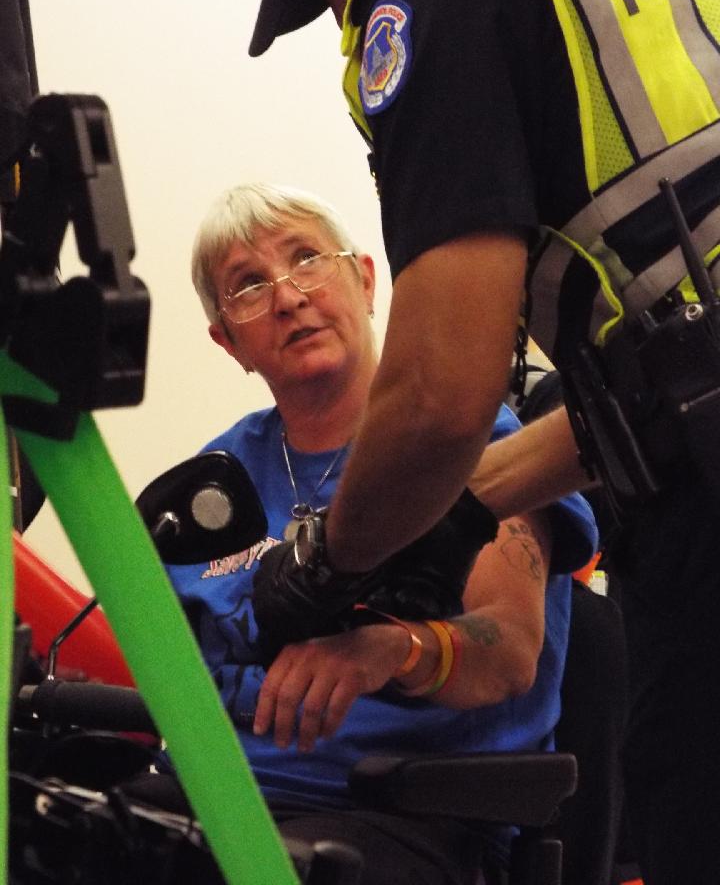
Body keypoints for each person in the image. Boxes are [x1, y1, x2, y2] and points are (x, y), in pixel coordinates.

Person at [228, 0, 720, 881]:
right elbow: (664, 377)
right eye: (245, 286)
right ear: (225, 337)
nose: (337, 12)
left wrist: (330, 564)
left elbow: (440, 397)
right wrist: (456, 513)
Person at [158, 182, 597, 884]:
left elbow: (510, 650)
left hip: (394, 812)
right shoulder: (211, 484)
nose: (288, 296)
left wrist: (391, 651)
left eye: (306, 258)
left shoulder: (471, 443)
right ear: (228, 341)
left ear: (363, 280)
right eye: (248, 285)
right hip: (208, 799)